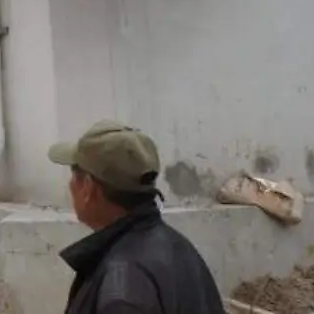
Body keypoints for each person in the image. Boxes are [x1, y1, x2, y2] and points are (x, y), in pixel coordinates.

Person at [47, 120, 225, 313]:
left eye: (74, 175)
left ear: (89, 188)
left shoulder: (123, 285)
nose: (70, 185)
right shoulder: (178, 247)